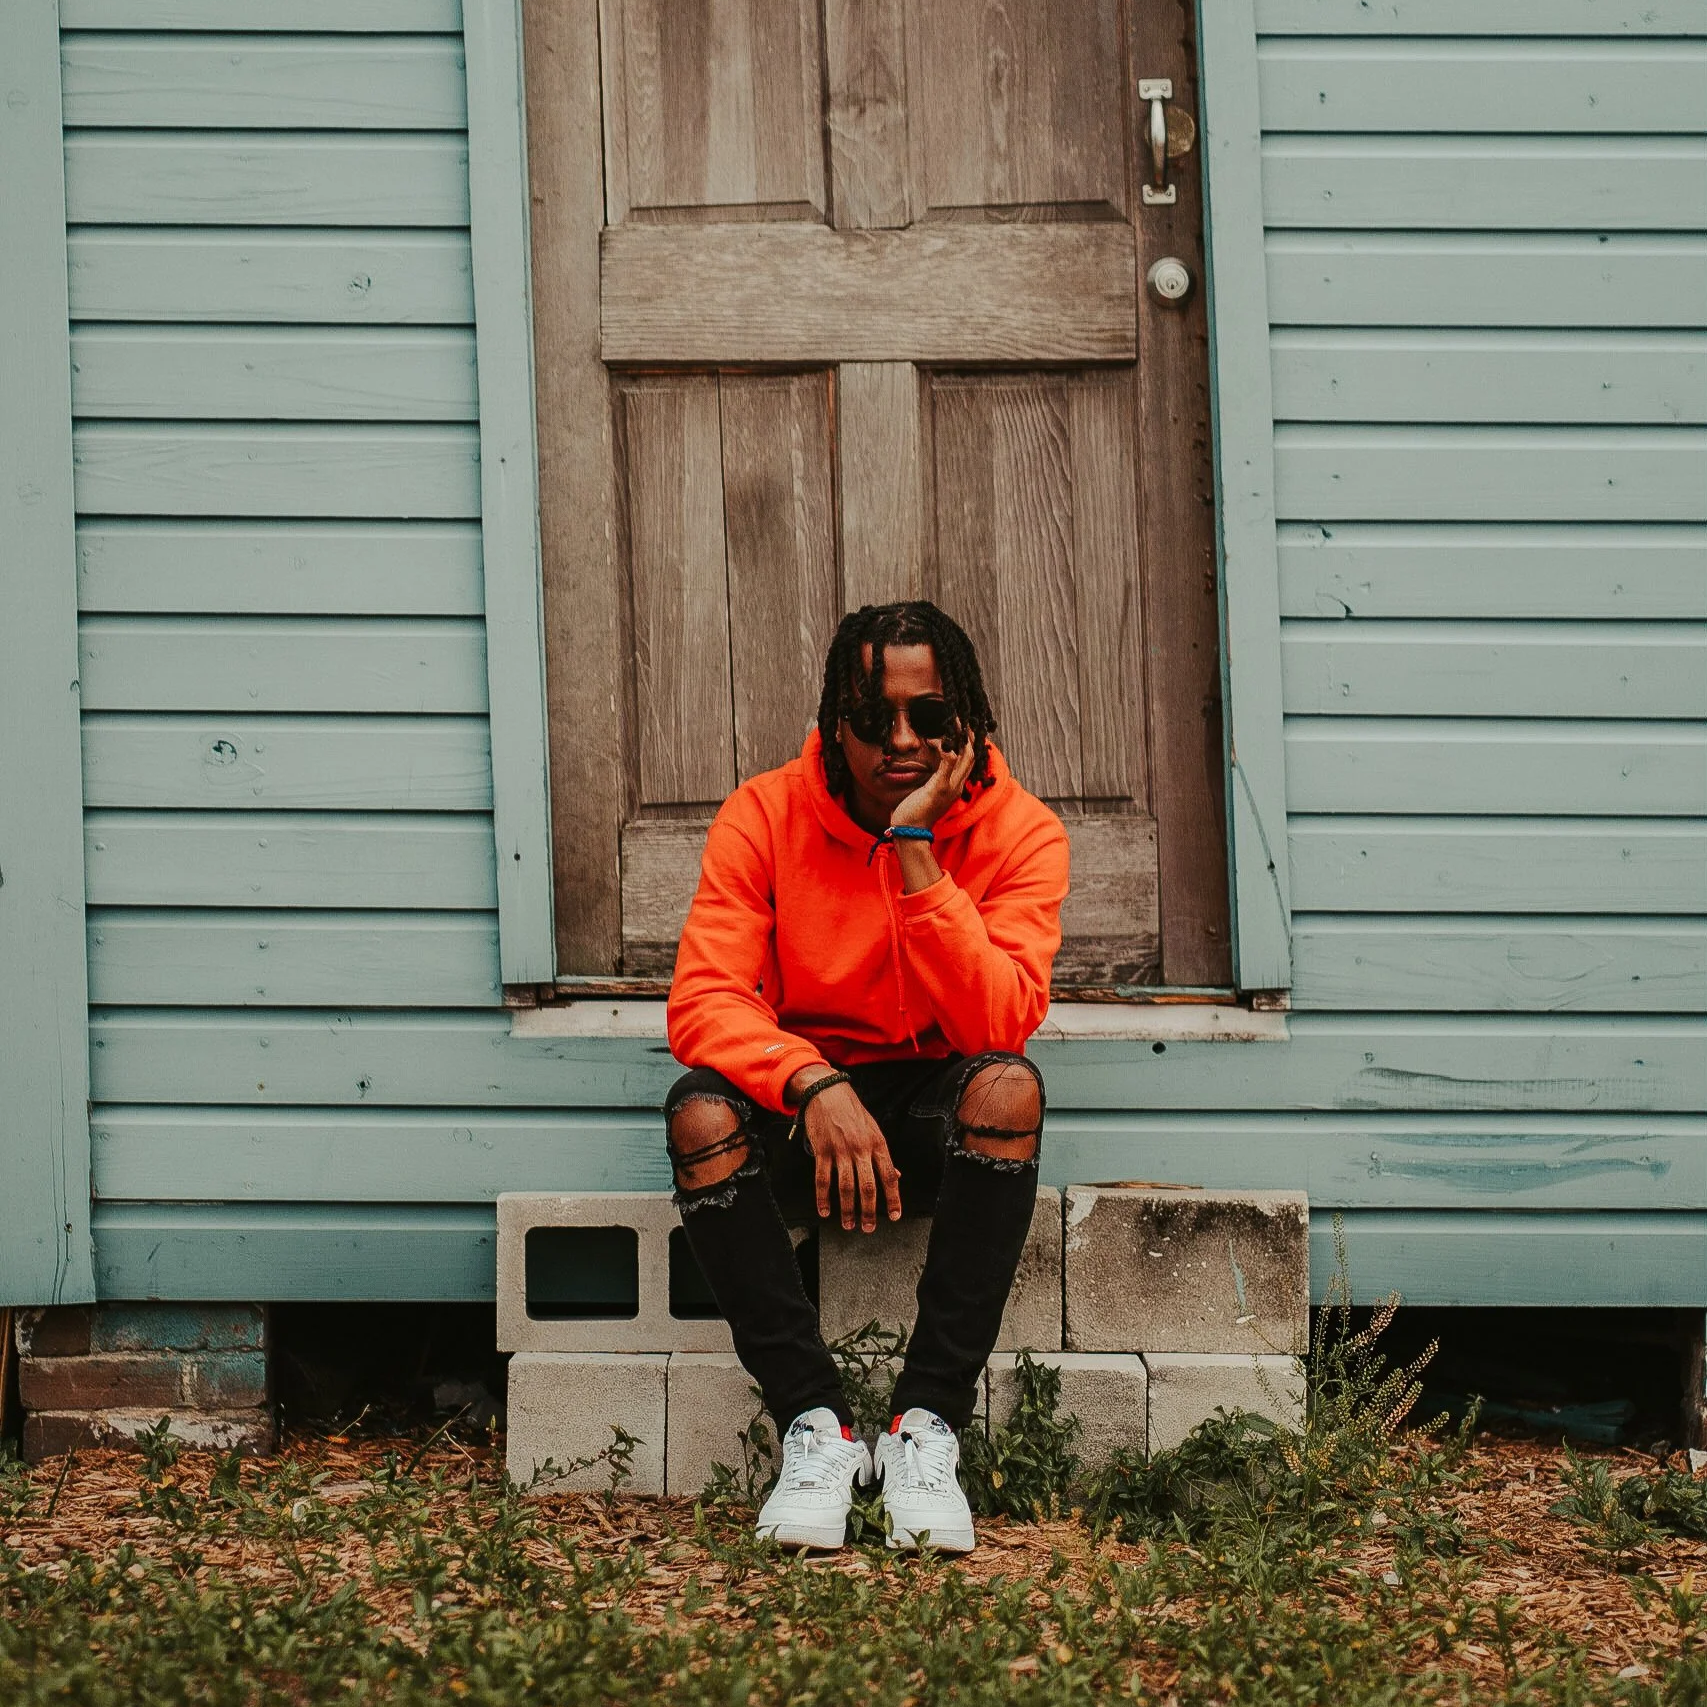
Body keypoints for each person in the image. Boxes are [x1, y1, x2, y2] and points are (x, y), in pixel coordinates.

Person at [664, 600, 1070, 1553]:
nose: (900, 740)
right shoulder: (763, 815)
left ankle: (924, 1426)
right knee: (696, 1116)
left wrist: (916, 847)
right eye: (870, 717)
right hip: (810, 1107)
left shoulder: (1022, 833)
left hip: (939, 1109)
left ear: (966, 720)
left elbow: (995, 1022)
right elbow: (703, 1002)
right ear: (832, 721)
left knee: (1010, 1085)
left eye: (928, 717)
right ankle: (817, 1428)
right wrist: (813, 1082)